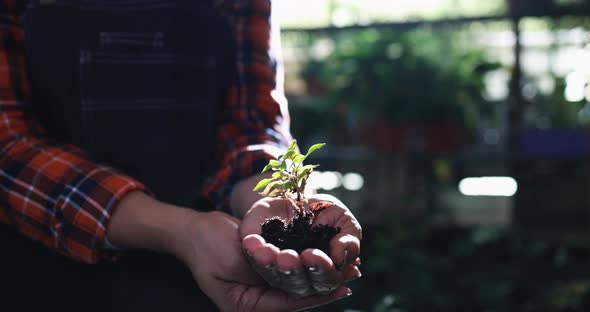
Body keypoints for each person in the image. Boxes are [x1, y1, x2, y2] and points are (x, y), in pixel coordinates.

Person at [0, 0, 362, 311]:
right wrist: (181, 231)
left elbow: (250, 124)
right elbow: (7, 144)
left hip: (210, 272)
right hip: (46, 278)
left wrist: (280, 200)